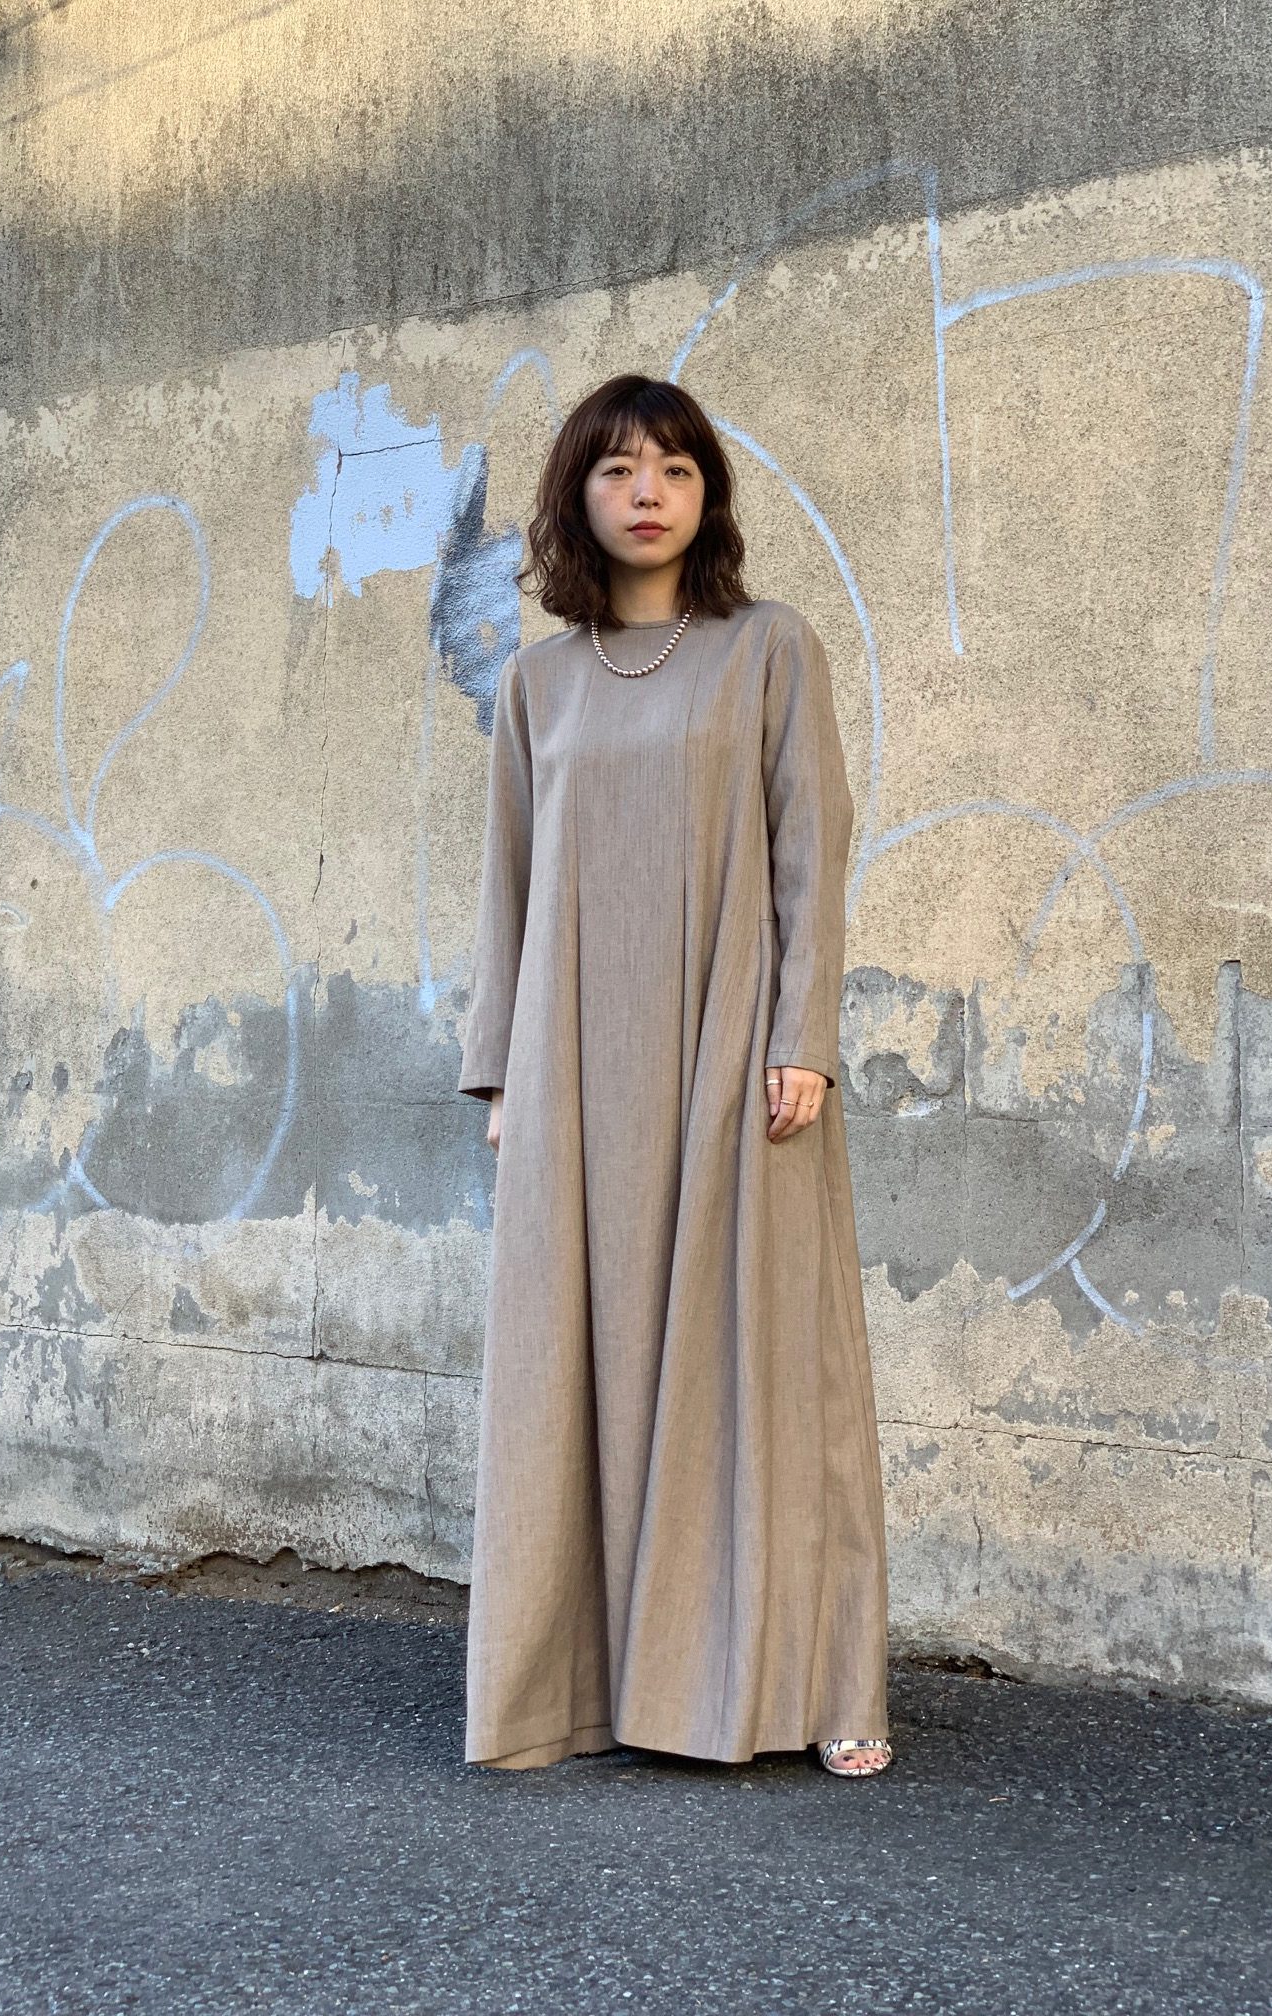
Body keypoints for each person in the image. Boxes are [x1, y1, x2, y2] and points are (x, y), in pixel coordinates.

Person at [455, 372, 891, 1779]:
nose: (649, 492)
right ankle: (583, 1689)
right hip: (575, 1067)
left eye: (677, 469)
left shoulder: (769, 650)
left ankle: (819, 1682)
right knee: (570, 1370)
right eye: (618, 468)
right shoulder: (537, 684)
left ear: (708, 496)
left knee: (767, 1370)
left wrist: (801, 1036)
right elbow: (509, 885)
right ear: (575, 497)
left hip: (735, 1055)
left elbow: (811, 850)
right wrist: (501, 1076)